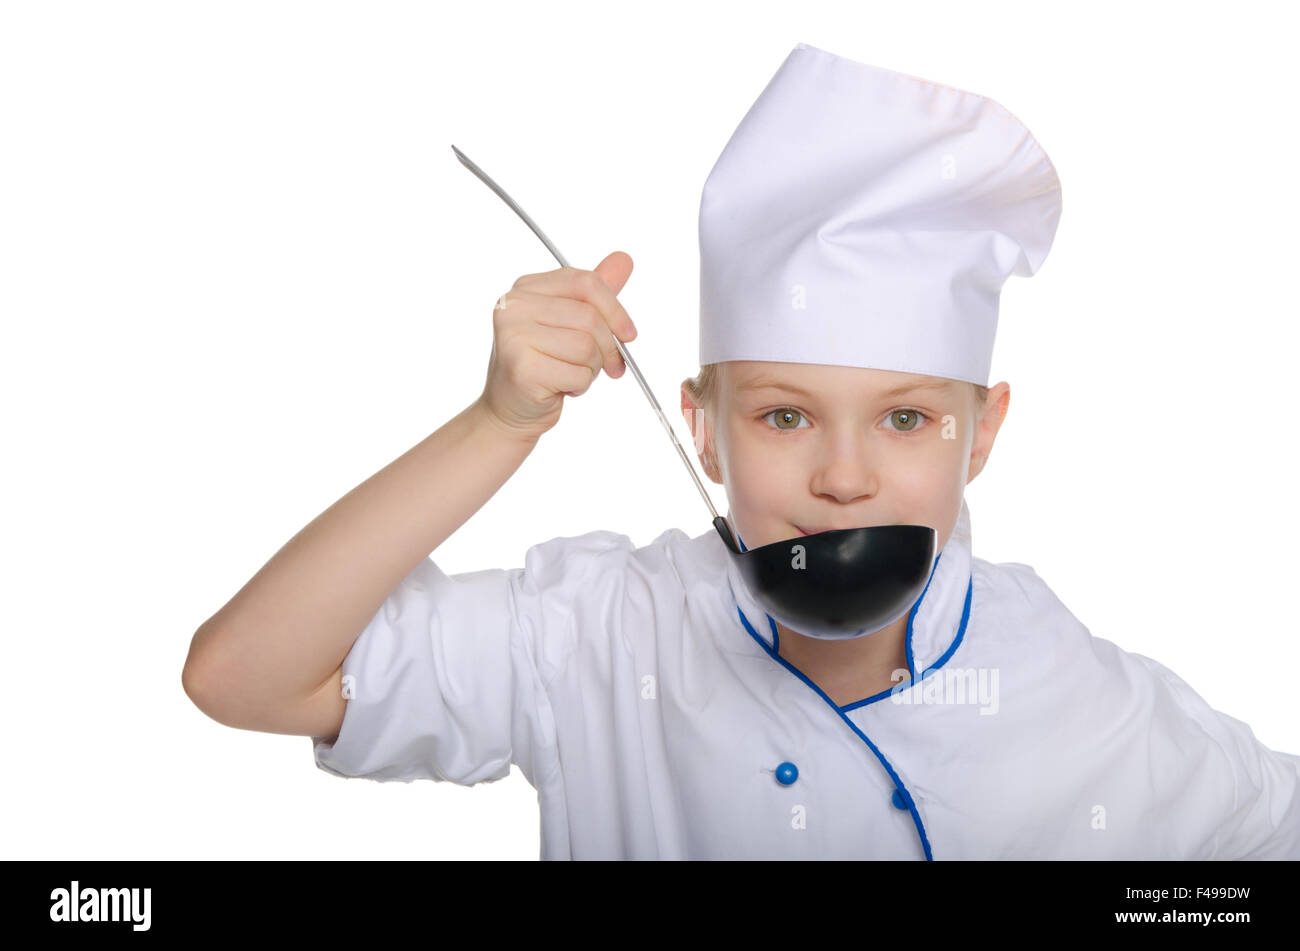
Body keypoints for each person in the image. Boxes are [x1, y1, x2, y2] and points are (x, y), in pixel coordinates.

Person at [182, 43, 1300, 859]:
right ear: (703, 429)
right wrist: (499, 424)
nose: (844, 476)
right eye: (783, 415)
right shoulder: (597, 636)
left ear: (984, 432)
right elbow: (241, 677)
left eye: (906, 419)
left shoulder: (1069, 682)